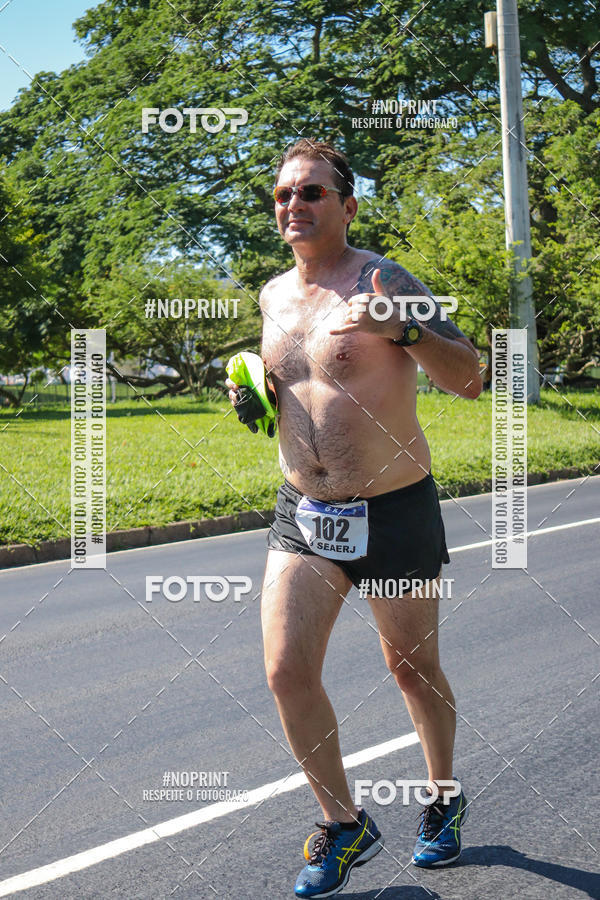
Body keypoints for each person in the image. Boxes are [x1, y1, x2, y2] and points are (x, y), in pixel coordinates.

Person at [227, 139, 482, 898]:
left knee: (410, 668)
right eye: (282, 195)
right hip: (305, 511)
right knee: (283, 669)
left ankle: (442, 798)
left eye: (310, 193)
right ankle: (344, 826)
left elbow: (470, 377)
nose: (293, 206)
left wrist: (402, 328)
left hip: (395, 508)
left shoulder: (384, 278)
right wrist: (254, 397)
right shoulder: (273, 295)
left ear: (347, 205)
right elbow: (296, 387)